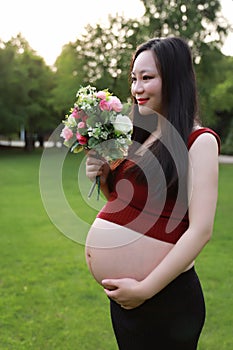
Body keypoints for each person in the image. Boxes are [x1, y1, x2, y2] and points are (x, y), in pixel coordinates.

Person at [85, 37, 220, 349]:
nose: (137, 88)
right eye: (134, 78)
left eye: (147, 78)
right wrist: (104, 177)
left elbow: (201, 231)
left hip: (166, 299)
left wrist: (145, 290)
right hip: (126, 300)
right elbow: (133, 208)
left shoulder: (199, 141)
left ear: (173, 79)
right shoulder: (140, 137)